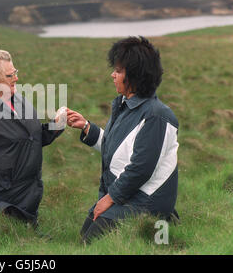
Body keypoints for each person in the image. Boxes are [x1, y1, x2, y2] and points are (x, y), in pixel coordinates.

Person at [67, 36, 179, 244]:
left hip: (146, 198)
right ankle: (160, 227)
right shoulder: (125, 105)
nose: (112, 75)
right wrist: (86, 127)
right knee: (85, 235)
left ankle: (161, 220)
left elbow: (140, 169)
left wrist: (109, 199)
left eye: (118, 71)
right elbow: (117, 149)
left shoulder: (156, 116)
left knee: (90, 243)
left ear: (134, 77)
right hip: (129, 194)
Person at [0, 46, 64, 234]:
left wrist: (56, 125)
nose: (16, 78)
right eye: (9, 75)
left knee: (30, 245)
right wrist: (5, 183)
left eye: (15, 72)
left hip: (25, 203)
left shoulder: (18, 100)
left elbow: (31, 138)